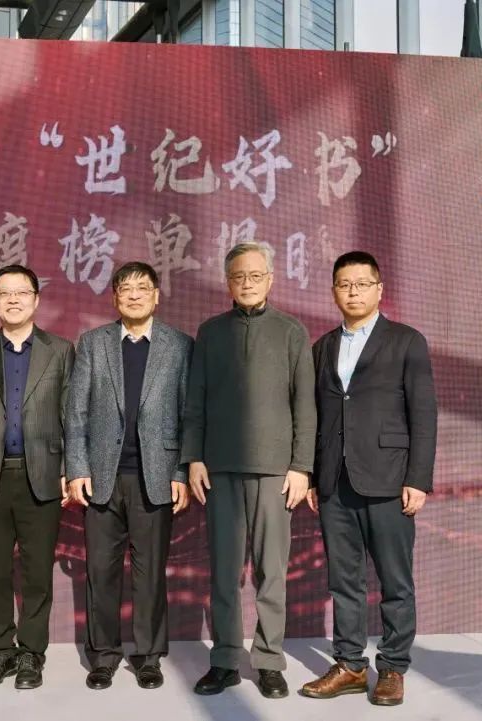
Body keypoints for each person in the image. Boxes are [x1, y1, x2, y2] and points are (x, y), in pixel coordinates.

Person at [300, 251, 437, 707]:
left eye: (361, 284)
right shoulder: (323, 347)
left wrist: (418, 479)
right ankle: (351, 665)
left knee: (395, 581)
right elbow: (317, 417)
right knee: (344, 581)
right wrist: (315, 475)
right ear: (333, 291)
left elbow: (424, 414)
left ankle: (393, 667)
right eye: (344, 284)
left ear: (379, 289)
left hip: (389, 480)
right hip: (334, 482)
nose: (353, 291)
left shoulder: (406, 341)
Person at [182, 242, 317, 699]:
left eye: (256, 276)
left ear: (271, 279)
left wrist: (301, 467)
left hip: (276, 473)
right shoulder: (210, 332)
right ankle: (224, 659)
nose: (247, 283)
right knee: (223, 572)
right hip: (219, 469)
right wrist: (194, 458)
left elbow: (306, 406)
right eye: (239, 276)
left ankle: (269, 661)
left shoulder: (291, 331)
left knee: (270, 572)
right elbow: (195, 401)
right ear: (228, 282)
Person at [64, 261, 192, 691]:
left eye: (142, 288)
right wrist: (77, 468)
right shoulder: (93, 343)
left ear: (156, 295)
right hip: (102, 476)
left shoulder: (179, 345)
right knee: (100, 572)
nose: (134, 295)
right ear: (115, 297)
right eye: (126, 288)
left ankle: (149, 656)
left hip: (156, 476)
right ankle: (103, 656)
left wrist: (180, 471)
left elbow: (188, 415)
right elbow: (76, 412)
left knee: (149, 573)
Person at [0, 264, 74, 690]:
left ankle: (31, 655)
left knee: (38, 572)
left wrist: (70, 470)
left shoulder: (60, 350)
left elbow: (72, 417)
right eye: (4, 293)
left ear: (36, 300)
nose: (13, 300)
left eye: (21, 292)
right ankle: (0, 653)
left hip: (42, 475)